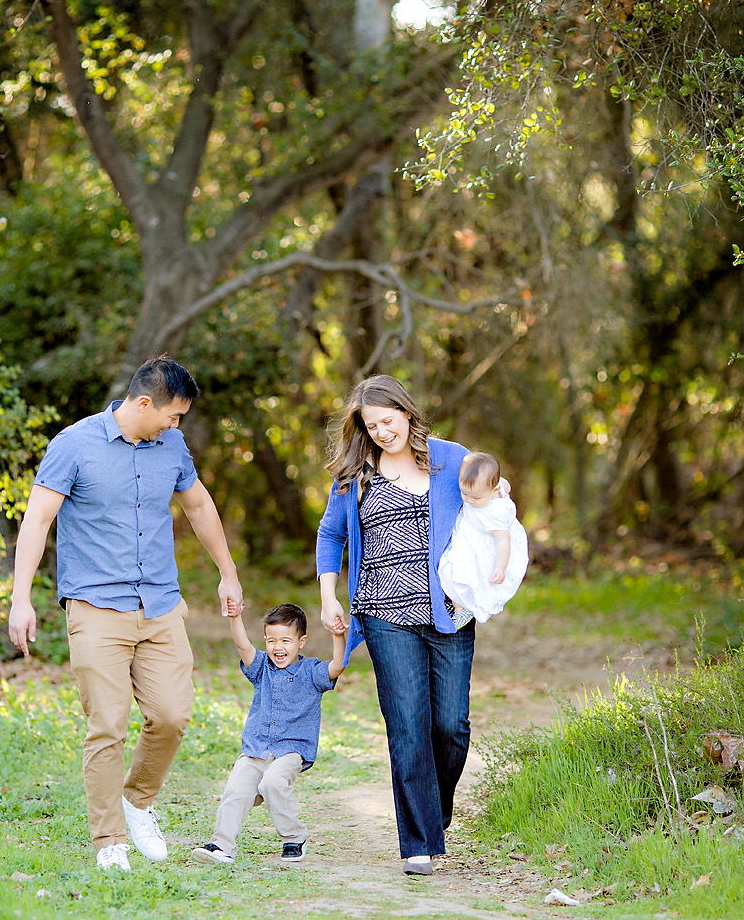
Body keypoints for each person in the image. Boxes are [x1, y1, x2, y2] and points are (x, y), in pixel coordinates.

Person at [8, 354, 243, 873]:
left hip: (159, 603)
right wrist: (21, 598)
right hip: (95, 607)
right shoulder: (74, 446)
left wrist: (227, 571)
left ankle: (137, 802)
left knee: (172, 715)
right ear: (143, 403)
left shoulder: (172, 446)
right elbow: (37, 520)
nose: (176, 425)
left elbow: (199, 506)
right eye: (173, 415)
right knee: (108, 725)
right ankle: (109, 838)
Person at [316, 374, 474, 876]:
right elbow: (330, 534)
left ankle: (433, 813)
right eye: (372, 425)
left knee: (451, 727)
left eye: (389, 420)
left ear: (407, 412)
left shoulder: (452, 459)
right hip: (385, 614)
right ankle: (418, 844)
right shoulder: (354, 474)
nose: (383, 431)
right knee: (407, 725)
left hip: (450, 611)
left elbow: (494, 512)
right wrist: (328, 596)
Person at [191, 603, 346, 865]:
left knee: (272, 783)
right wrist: (235, 616)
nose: (278, 647)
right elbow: (243, 646)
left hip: (292, 750)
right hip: (257, 748)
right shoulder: (262, 666)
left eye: (286, 640)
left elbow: (338, 666)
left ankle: (294, 837)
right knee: (236, 790)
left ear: (301, 642)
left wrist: (337, 635)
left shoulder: (311, 671)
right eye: (272, 640)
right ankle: (222, 845)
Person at [438, 451, 529, 625]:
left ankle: (461, 608)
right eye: (465, 494)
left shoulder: (496, 512)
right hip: (468, 536)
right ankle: (460, 605)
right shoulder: (489, 488)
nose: (469, 500)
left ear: (494, 491)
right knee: (447, 570)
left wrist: (501, 567)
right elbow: (505, 485)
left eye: (476, 497)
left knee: (459, 573)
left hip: (484, 546)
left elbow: (503, 540)